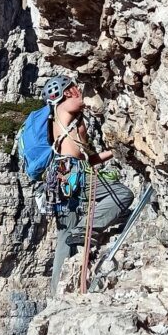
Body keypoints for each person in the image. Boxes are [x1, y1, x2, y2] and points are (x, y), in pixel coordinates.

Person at [42, 75, 134, 294]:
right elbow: (90, 101)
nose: (77, 90)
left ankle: (58, 293)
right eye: (74, 87)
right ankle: (85, 230)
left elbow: (90, 159)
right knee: (122, 195)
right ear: (66, 92)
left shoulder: (64, 121)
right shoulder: (65, 107)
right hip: (74, 173)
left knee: (66, 237)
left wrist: (118, 151)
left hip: (64, 177)